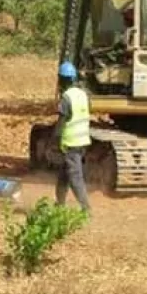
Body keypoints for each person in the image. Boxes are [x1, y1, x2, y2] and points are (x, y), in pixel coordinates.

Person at [52, 61, 92, 213]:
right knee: (64, 175)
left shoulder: (66, 98)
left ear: (61, 79)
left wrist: (54, 142)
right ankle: (59, 204)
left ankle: (85, 208)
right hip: (83, 141)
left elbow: (61, 124)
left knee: (75, 177)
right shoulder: (84, 95)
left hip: (71, 143)